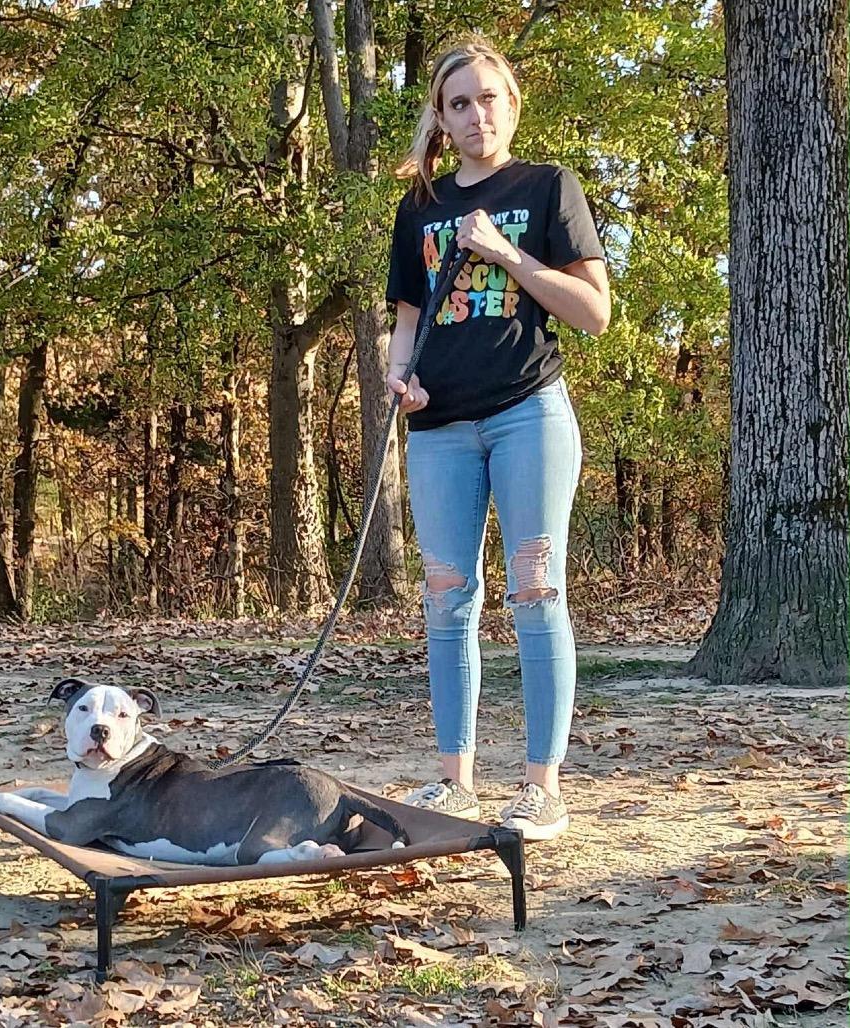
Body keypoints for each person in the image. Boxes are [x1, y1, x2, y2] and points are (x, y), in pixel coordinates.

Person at [384, 35, 611, 841]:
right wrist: (396, 378)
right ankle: (456, 782)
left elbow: (593, 312)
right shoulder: (420, 205)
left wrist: (507, 252)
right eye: (458, 104)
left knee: (535, 593)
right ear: (441, 120)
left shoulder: (550, 188)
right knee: (448, 599)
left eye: (489, 98)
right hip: (439, 429)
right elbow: (406, 324)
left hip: (528, 415)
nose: (476, 115)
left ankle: (542, 787)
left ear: (511, 104)